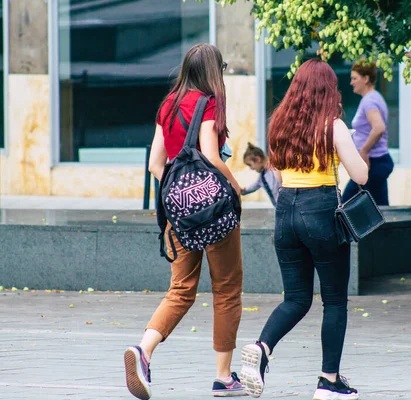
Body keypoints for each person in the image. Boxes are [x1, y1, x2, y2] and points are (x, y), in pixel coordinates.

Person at [238, 59, 368, 400]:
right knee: (334, 300)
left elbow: (279, 177)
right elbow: (361, 176)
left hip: (285, 214)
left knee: (296, 298)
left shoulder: (280, 126)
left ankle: (262, 347)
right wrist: (348, 146)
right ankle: (328, 381)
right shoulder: (334, 126)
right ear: (329, 90)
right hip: (320, 211)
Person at [123, 43, 246, 399]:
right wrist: (233, 188)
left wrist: (181, 196)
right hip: (214, 214)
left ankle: (143, 351)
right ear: (213, 71)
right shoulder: (210, 103)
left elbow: (155, 165)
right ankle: (223, 378)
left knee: (180, 290)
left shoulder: (168, 104)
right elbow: (210, 154)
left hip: (178, 215)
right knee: (226, 289)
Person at [342, 61, 394, 206]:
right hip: (377, 163)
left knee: (345, 208)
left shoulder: (369, 101)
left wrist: (364, 151)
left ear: (366, 79)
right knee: (381, 209)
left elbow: (379, 127)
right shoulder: (374, 97)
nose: (351, 83)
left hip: (372, 164)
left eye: (354, 78)